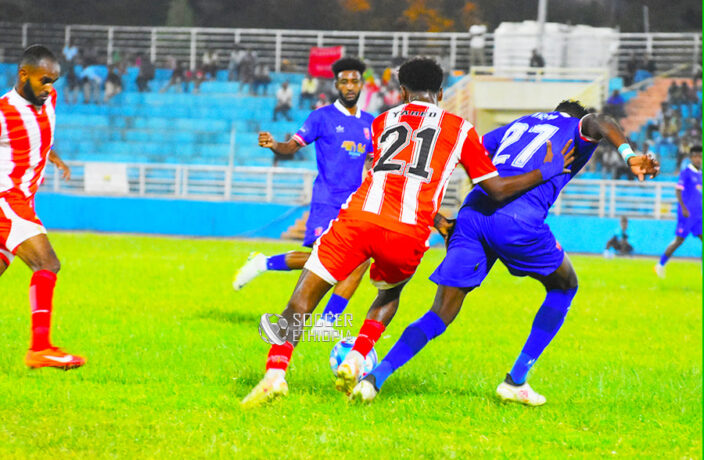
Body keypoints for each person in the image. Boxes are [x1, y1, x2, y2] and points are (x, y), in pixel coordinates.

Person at [240, 57, 579, 408]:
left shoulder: (382, 121)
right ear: (441, 93)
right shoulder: (460, 129)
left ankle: (275, 374)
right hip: (407, 231)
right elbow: (496, 190)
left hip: (358, 219)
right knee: (388, 293)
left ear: (402, 92)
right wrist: (546, 171)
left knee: (302, 298)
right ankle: (357, 356)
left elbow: (388, 173)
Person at [351, 100, 660, 406]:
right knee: (565, 286)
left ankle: (373, 379)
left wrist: (436, 217)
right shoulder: (573, 127)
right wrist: (629, 155)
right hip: (517, 220)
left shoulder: (518, 125)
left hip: (472, 216)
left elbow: (460, 153)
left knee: (440, 312)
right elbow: (601, 121)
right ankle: (515, 381)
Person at [233, 58, 375, 333]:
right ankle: (264, 263)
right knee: (323, 261)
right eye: (344, 81)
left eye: (354, 81)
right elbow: (291, 146)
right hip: (327, 200)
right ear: (336, 84)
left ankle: (326, 322)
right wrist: (275, 144)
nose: (349, 86)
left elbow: (373, 161)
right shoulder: (321, 117)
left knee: (359, 261)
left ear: (361, 84)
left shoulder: (371, 123)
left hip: (354, 204)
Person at [0, 45, 85, 369]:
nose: (50, 87)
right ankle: (40, 348)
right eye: (44, 80)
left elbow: (38, 137)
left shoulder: (48, 100)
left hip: (22, 200)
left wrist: (54, 157)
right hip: (6, 199)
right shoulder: (4, 112)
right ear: (23, 75)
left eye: (54, 81)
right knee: (47, 263)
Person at [655, 146, 702, 278]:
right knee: (679, 241)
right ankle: (660, 265)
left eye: (700, 156)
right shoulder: (686, 173)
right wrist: (684, 208)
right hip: (686, 214)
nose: (698, 159)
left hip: (699, 215)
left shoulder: (701, 174)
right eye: (696, 156)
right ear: (691, 157)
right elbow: (678, 190)